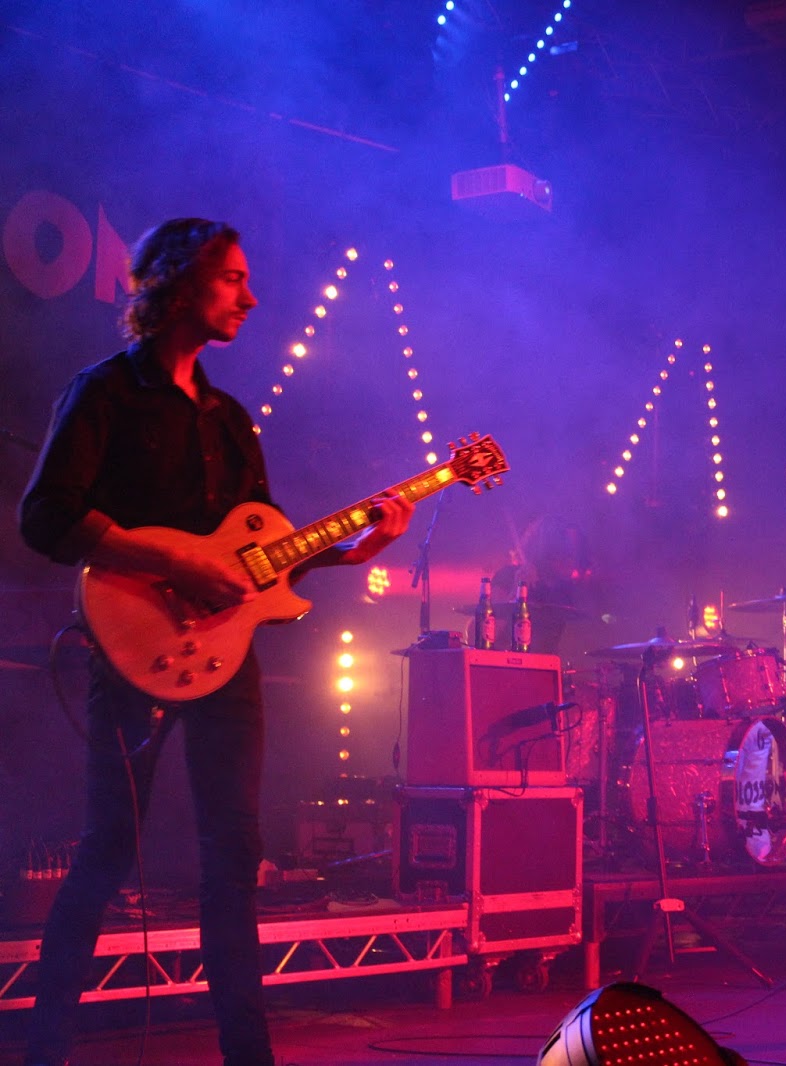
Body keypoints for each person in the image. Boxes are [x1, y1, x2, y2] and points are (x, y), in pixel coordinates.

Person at [17, 218, 415, 1066]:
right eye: (232, 278)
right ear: (174, 282)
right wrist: (163, 555)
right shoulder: (105, 394)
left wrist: (356, 549)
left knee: (233, 853)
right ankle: (40, 1048)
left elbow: (264, 566)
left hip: (227, 661)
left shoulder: (232, 419)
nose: (252, 295)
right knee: (108, 851)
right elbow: (45, 516)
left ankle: (248, 1057)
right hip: (131, 651)